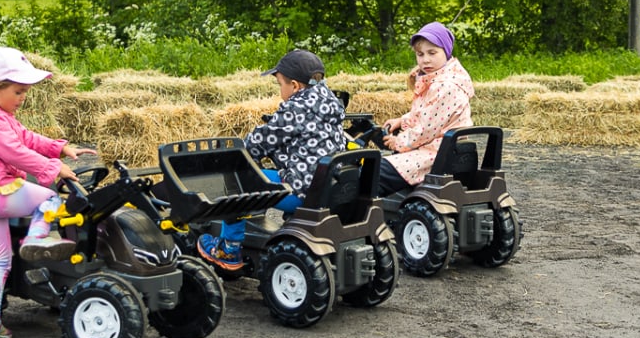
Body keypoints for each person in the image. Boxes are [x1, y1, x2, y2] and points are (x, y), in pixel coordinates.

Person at [0, 48, 88, 338]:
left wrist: (60, 147)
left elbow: (26, 138)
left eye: (25, 92)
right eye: (17, 91)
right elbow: (14, 151)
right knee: (50, 200)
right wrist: (53, 168)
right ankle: (36, 240)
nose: (22, 98)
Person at [197, 49, 346, 271]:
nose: (280, 92)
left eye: (280, 85)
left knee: (235, 180)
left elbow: (257, 144)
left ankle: (229, 248)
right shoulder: (332, 103)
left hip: (300, 191)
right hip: (329, 186)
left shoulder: (295, 108)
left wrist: (232, 155)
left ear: (295, 86)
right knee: (264, 173)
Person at [376, 21, 474, 195]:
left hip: (436, 155)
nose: (425, 59)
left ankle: (368, 217)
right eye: (420, 54)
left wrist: (399, 142)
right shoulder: (437, 80)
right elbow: (425, 113)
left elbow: (425, 130)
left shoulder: (445, 86)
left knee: (375, 172)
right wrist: (402, 121)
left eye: (432, 53)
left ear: (447, 52)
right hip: (438, 149)